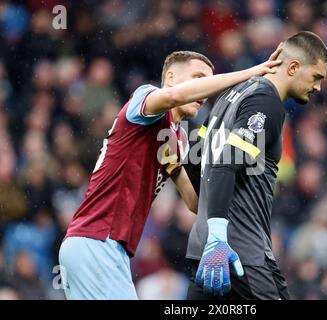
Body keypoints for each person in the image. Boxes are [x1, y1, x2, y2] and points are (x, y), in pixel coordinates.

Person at [58, 50, 282, 300]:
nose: (204, 92)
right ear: (172, 77)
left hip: (105, 248)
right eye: (198, 78)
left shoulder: (178, 139)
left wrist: (228, 180)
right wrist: (250, 74)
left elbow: (193, 201)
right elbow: (175, 96)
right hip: (97, 240)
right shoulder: (145, 99)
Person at [186, 31, 327, 300]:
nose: (318, 87)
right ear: (294, 67)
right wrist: (219, 235)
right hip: (242, 257)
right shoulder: (267, 103)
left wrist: (209, 229)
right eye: (316, 77)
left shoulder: (231, 94)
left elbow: (195, 160)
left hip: (204, 254)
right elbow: (224, 164)